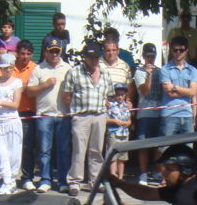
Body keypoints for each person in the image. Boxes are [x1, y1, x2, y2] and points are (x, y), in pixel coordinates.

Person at [64, 41, 112, 196]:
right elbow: (66, 96)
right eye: (90, 57)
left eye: (96, 57)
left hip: (99, 115)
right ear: (84, 57)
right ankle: (75, 182)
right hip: (81, 116)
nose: (94, 60)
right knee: (79, 150)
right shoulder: (75, 72)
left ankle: (95, 181)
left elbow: (108, 95)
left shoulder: (105, 73)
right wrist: (74, 113)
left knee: (97, 151)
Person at [26, 42, 72, 193]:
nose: (54, 54)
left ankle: (62, 180)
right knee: (44, 150)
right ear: (46, 52)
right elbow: (30, 91)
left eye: (57, 51)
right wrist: (45, 85)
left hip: (63, 115)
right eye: (51, 51)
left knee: (63, 150)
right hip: (44, 115)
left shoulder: (67, 68)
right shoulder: (38, 69)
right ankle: (45, 180)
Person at [0, 52, 23, 195]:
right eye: (5, 67)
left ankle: (12, 180)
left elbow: (15, 105)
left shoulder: (17, 83)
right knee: (2, 153)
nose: (7, 70)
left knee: (14, 154)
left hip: (12, 121)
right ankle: (6, 180)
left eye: (10, 67)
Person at [133, 42, 163, 185]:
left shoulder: (161, 71)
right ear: (143, 56)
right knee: (143, 145)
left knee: (159, 145)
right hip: (145, 113)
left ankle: (157, 170)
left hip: (159, 113)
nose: (150, 59)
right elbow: (144, 91)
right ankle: (143, 174)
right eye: (148, 56)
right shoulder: (139, 72)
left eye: (152, 56)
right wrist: (149, 75)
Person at [9, 39, 37, 189]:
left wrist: (19, 87)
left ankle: (27, 177)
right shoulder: (9, 67)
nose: (25, 57)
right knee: (11, 147)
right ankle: (9, 177)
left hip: (27, 111)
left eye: (28, 54)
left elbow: (33, 89)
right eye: (22, 54)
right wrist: (22, 87)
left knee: (27, 147)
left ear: (32, 55)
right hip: (10, 112)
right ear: (17, 54)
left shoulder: (35, 68)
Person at [160, 35, 197, 137]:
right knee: (166, 149)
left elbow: (193, 92)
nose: (178, 52)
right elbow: (169, 93)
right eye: (175, 50)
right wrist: (187, 92)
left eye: (181, 50)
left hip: (187, 114)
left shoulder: (192, 70)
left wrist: (175, 87)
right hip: (169, 115)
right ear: (171, 51)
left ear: (186, 51)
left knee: (187, 150)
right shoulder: (165, 69)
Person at [105, 82, 131, 180]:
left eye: (122, 95)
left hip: (124, 133)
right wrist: (115, 121)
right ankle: (113, 176)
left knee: (122, 157)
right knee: (113, 157)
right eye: (118, 94)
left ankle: (120, 177)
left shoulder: (126, 106)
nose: (120, 97)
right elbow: (105, 119)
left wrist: (128, 122)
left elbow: (129, 119)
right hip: (113, 132)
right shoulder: (110, 105)